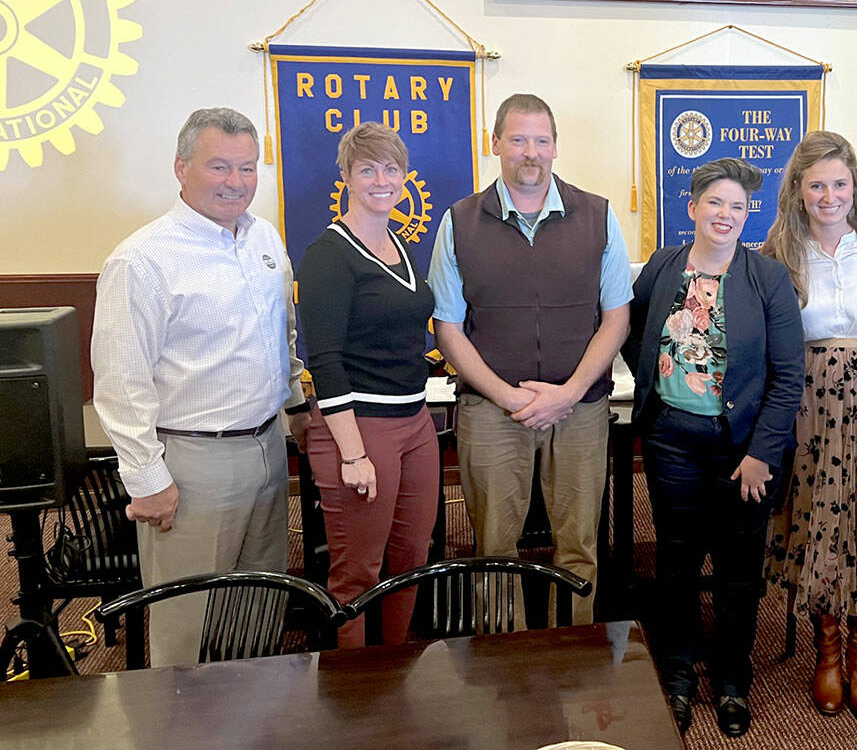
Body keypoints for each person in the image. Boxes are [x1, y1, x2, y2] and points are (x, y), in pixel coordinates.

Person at [91, 107, 309, 667]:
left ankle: (255, 718)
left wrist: (296, 407)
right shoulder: (142, 260)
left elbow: (280, 335)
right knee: (185, 620)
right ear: (181, 168)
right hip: (192, 461)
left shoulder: (263, 236)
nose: (236, 183)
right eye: (219, 167)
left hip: (266, 445)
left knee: (261, 602)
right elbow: (120, 381)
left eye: (247, 168)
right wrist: (146, 479)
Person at [427, 93, 631, 626]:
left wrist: (566, 394)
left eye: (541, 140)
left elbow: (616, 319)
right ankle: (503, 668)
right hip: (492, 412)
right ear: (494, 144)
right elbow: (447, 327)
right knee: (495, 547)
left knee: (579, 545)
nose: (530, 152)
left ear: (556, 147)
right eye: (517, 139)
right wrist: (506, 395)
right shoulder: (459, 222)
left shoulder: (599, 217)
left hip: (580, 409)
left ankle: (575, 652)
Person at [623, 157, 804, 738]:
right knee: (675, 564)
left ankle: (731, 681)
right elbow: (633, 333)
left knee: (737, 571)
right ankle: (676, 677)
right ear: (693, 207)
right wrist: (661, 393)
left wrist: (762, 454)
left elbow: (787, 377)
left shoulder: (768, 278)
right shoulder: (662, 267)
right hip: (672, 441)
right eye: (716, 203)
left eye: (738, 206)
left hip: (744, 451)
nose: (726, 215)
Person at [761, 130, 857, 721]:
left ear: (855, 186)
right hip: (807, 404)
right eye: (817, 185)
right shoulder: (778, 249)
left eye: (840, 183)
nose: (830, 195)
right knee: (818, 528)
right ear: (798, 192)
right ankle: (826, 656)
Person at [295, 123, 439, 648]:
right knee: (358, 574)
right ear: (346, 177)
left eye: (392, 169)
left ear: (404, 177)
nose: (382, 179)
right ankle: (354, 698)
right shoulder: (329, 254)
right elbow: (325, 360)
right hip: (360, 430)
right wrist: (353, 454)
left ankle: (394, 673)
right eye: (367, 169)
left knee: (409, 562)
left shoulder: (397, 242)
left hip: (416, 424)